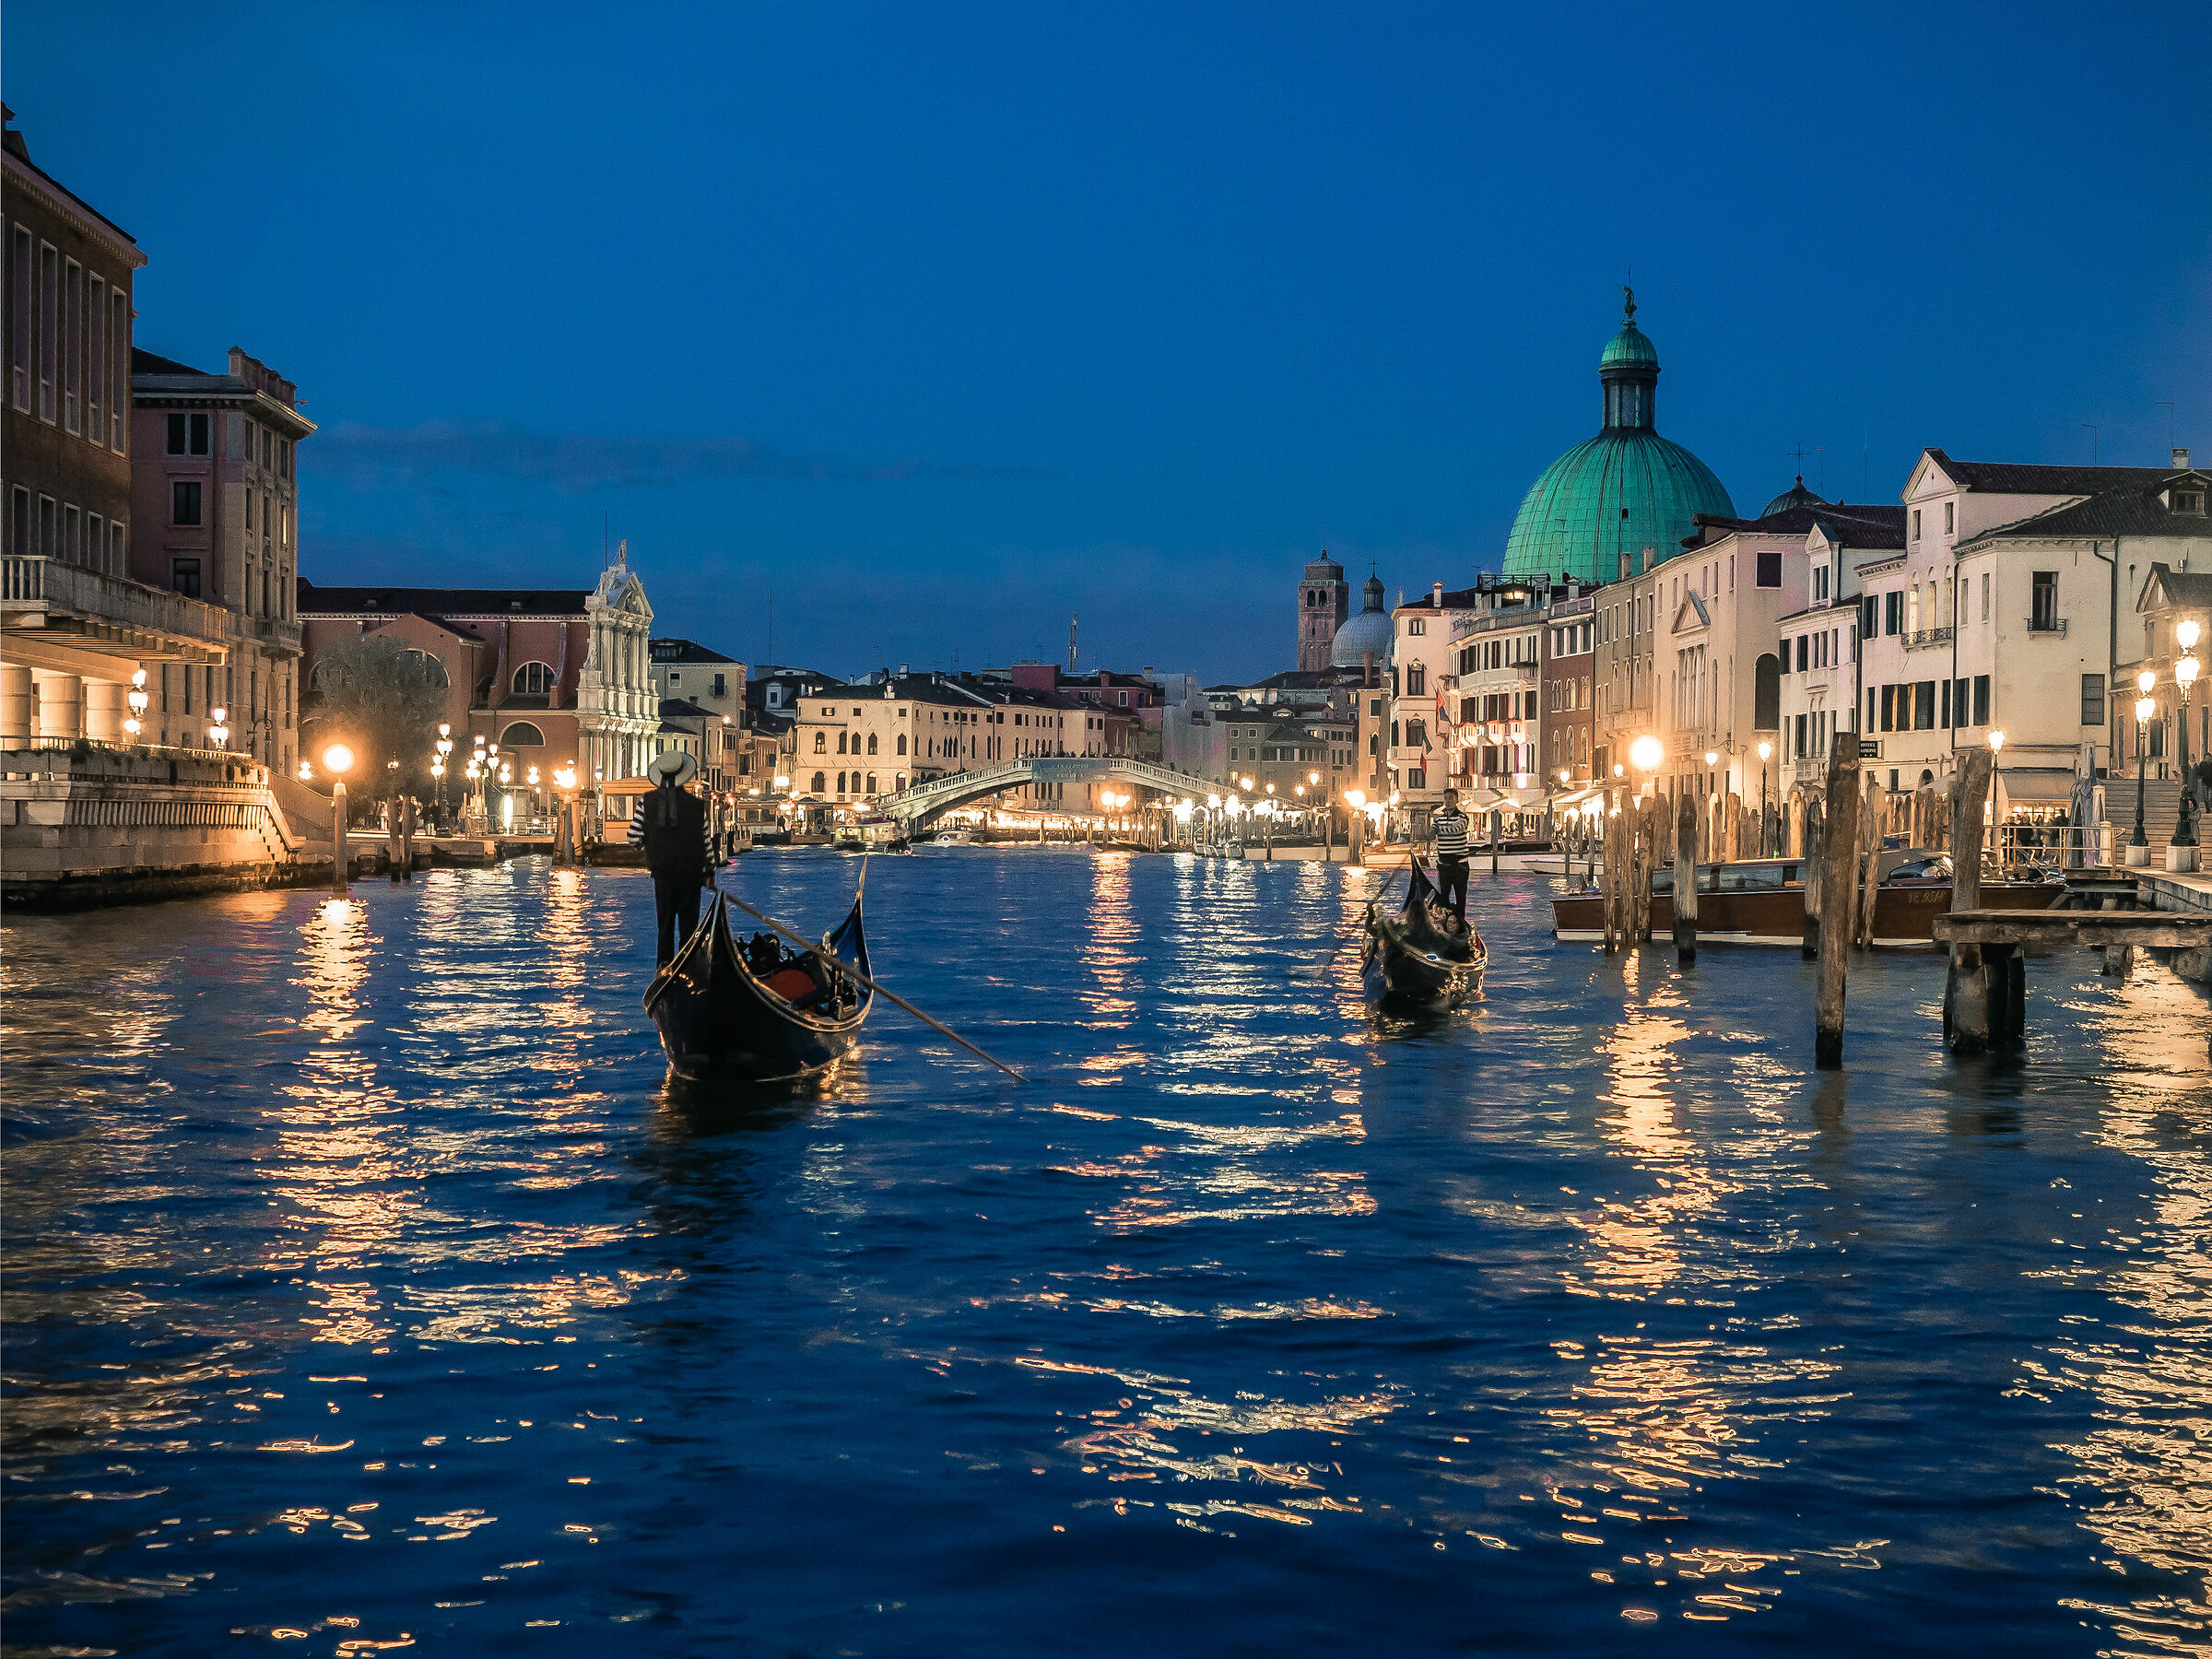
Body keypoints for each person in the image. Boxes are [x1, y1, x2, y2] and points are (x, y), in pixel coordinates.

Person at [630, 751, 716, 964]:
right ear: (684, 775)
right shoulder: (697, 806)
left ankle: (664, 967)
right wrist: (709, 872)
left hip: (662, 873)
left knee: (665, 926)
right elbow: (706, 843)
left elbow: (633, 837)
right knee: (689, 928)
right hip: (691, 875)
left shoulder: (646, 802)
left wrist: (649, 845)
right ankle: (687, 967)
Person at [1430, 786, 1471, 926]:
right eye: (1446, 798)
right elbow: (1432, 830)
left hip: (1460, 865)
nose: (1448, 801)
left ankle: (1458, 925)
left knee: (1460, 897)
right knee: (1443, 898)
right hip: (1444, 865)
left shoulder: (1463, 818)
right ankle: (1446, 924)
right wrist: (1433, 831)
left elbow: (1454, 829)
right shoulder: (1438, 818)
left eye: (1451, 798)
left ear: (1456, 800)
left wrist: (1438, 830)